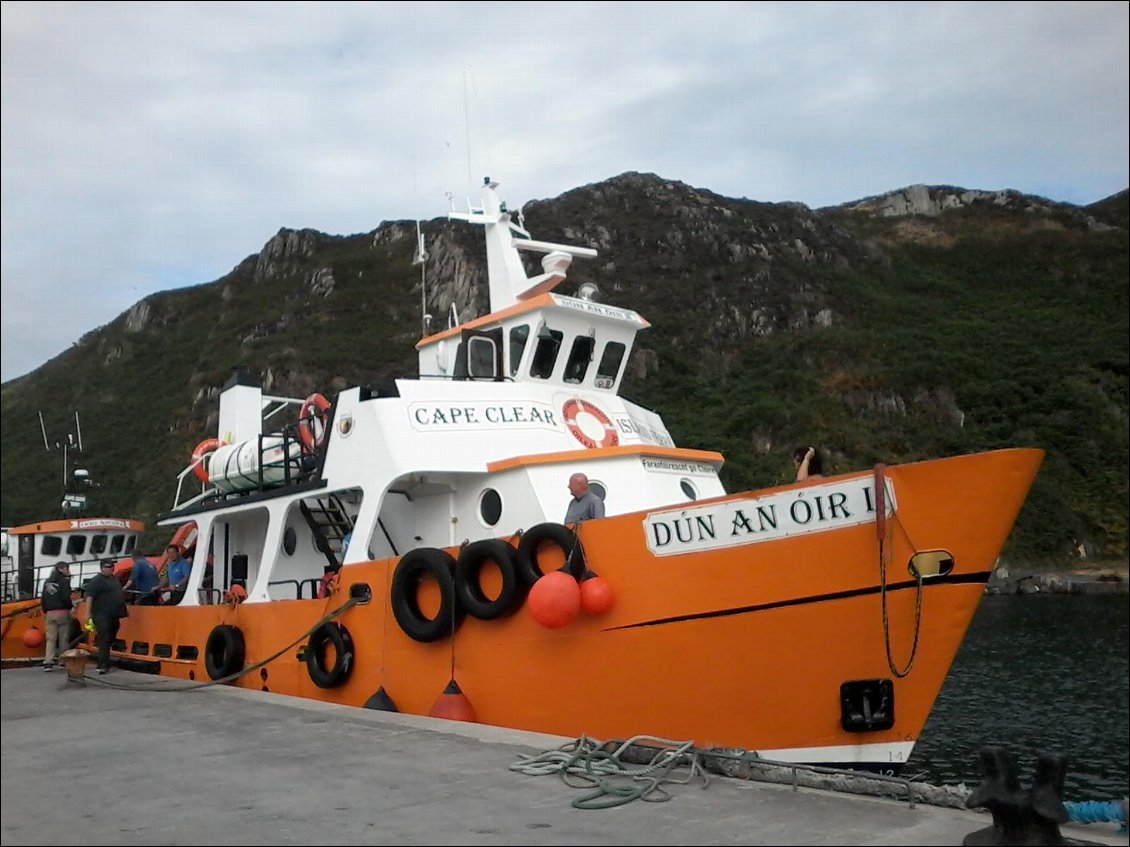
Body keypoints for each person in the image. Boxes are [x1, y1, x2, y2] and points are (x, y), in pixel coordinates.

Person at [84, 559, 128, 674]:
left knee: (111, 636)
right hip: (102, 615)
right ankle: (102, 664)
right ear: (102, 568)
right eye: (108, 567)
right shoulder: (96, 581)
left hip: (114, 615)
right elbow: (89, 597)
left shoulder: (113, 579)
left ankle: (105, 660)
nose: (110, 569)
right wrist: (87, 613)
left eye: (112, 567)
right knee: (104, 638)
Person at [39, 561, 74, 670]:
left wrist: (46, 610)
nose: (68, 571)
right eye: (67, 568)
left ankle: (48, 662)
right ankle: (62, 661)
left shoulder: (47, 582)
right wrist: (70, 607)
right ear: (61, 569)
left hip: (49, 613)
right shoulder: (64, 581)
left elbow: (43, 598)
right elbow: (66, 598)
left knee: (51, 639)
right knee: (63, 638)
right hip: (62, 612)